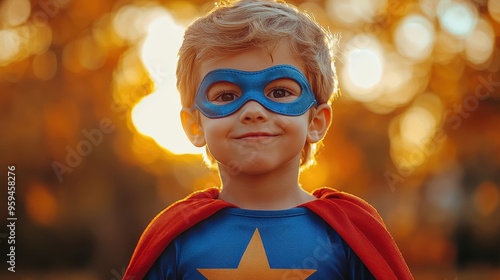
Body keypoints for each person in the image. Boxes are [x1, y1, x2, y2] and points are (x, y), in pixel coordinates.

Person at [124, 0, 413, 279]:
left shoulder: (349, 234)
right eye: (226, 96)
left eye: (279, 92)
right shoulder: (174, 236)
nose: (252, 111)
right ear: (194, 125)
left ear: (316, 121)